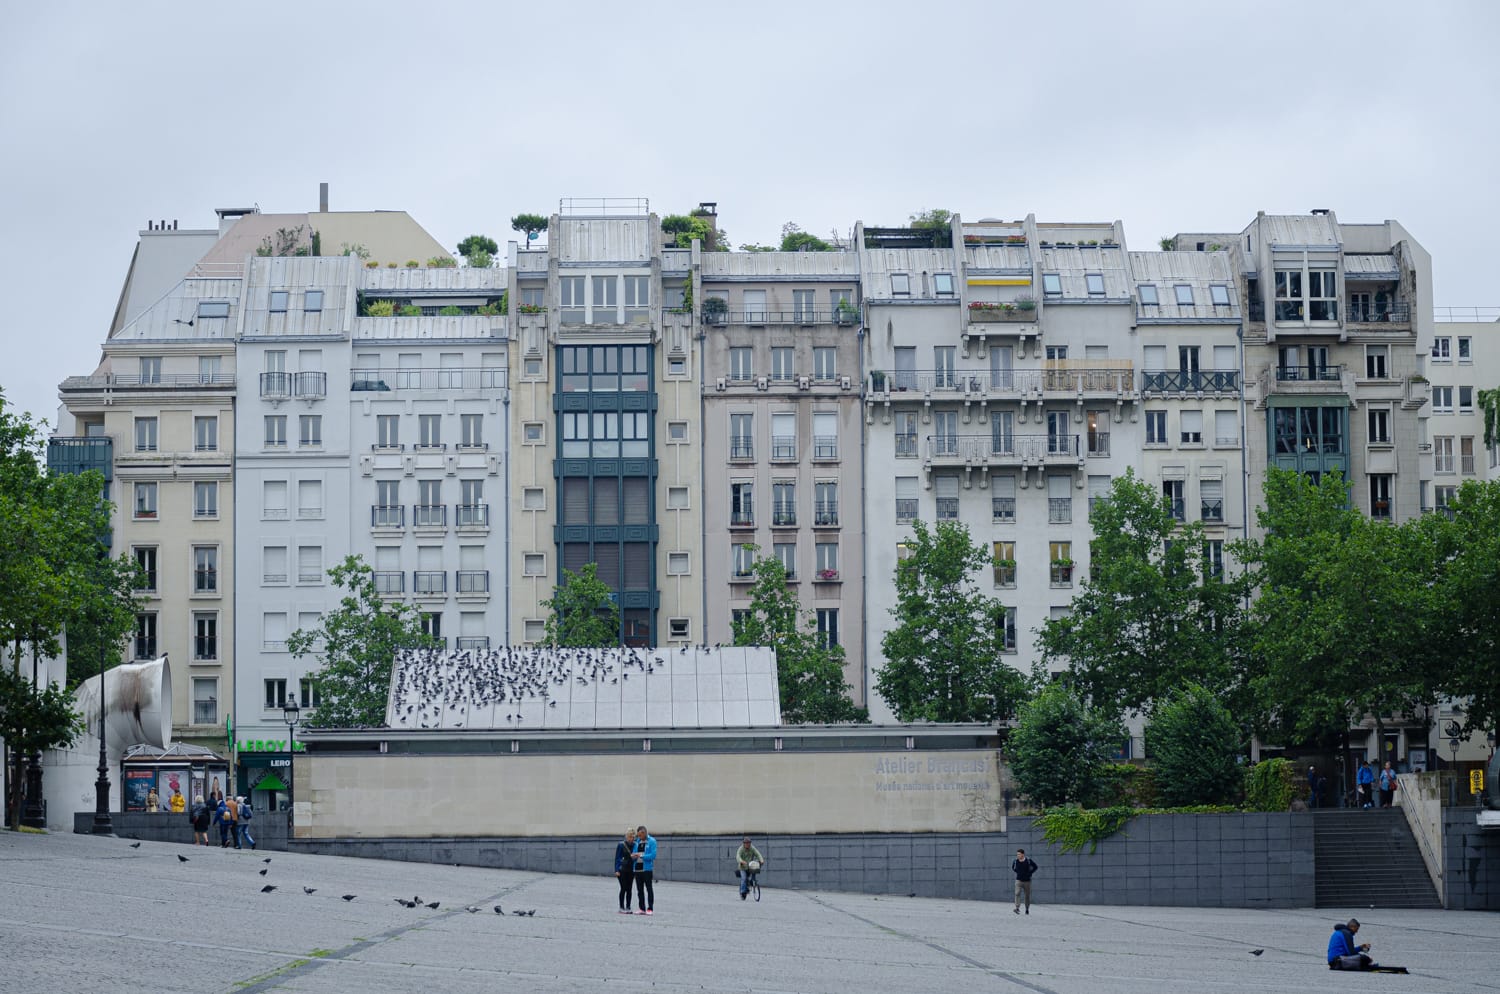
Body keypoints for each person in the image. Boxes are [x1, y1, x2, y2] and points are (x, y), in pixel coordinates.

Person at [633, 825, 657, 915]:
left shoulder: (652, 841)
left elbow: (653, 855)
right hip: (637, 869)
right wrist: (633, 856)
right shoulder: (637, 842)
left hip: (647, 869)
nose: (639, 837)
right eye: (638, 835)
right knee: (639, 890)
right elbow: (634, 852)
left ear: (644, 833)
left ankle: (650, 908)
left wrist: (642, 856)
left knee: (649, 888)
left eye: (640, 835)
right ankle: (641, 908)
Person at [614, 829, 636, 914]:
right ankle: (621, 907)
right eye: (630, 837)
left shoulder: (635, 845)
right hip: (622, 869)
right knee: (623, 888)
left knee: (629, 889)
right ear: (626, 836)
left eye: (633, 837)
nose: (631, 839)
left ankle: (628, 906)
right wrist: (616, 870)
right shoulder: (621, 844)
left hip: (631, 869)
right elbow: (617, 858)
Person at [1012, 849, 1039, 914]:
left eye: (1019, 854)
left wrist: (1030, 873)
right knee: (1017, 893)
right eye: (1017, 854)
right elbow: (1013, 868)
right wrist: (1018, 873)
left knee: (1027, 896)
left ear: (1023, 854)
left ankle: (1027, 909)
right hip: (1018, 880)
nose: (1017, 855)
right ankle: (1017, 908)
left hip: (1027, 881)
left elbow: (1035, 867)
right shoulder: (1015, 861)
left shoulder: (1028, 860)